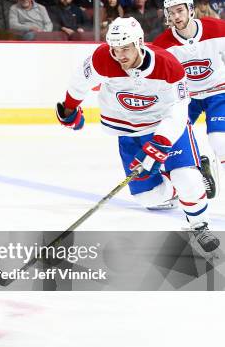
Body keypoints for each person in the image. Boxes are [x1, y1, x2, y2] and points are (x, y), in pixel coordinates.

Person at [56, 17, 220, 252]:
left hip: (165, 127)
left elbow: (179, 109)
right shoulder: (102, 58)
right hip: (129, 132)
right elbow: (80, 82)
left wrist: (160, 144)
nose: (120, 55)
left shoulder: (168, 65)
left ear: (139, 43)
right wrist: (70, 108)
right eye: (115, 49)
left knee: (188, 179)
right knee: (149, 197)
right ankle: (176, 188)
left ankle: (198, 224)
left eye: (125, 48)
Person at [153, 0, 225, 199]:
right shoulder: (162, 45)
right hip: (186, 98)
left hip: (218, 92)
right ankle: (197, 164)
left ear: (191, 10)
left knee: (220, 141)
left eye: (180, 10)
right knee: (170, 138)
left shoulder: (217, 28)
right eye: (171, 12)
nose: (176, 16)